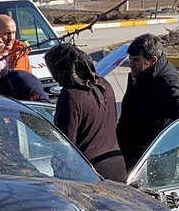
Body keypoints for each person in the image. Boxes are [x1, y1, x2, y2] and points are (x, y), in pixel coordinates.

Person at [44, 43, 127, 181]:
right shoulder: (103, 85)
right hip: (117, 164)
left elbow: (65, 143)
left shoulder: (71, 96)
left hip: (89, 173)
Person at [117, 33, 179, 168]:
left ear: (152, 60)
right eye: (130, 59)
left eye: (136, 60)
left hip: (152, 165)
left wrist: (162, 152)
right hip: (131, 157)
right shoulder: (141, 76)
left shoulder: (167, 84)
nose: (131, 64)